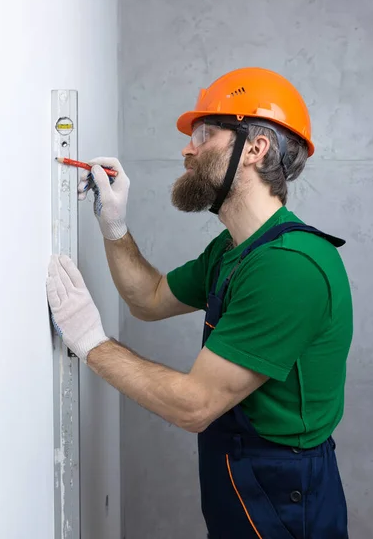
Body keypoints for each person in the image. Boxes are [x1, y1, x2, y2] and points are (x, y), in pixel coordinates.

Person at [47, 67, 353, 539]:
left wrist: (91, 344)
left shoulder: (289, 267)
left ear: (255, 148)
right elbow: (148, 298)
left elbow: (195, 405)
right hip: (240, 476)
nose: (188, 149)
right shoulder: (234, 250)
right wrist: (114, 226)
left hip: (284, 496)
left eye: (205, 134)